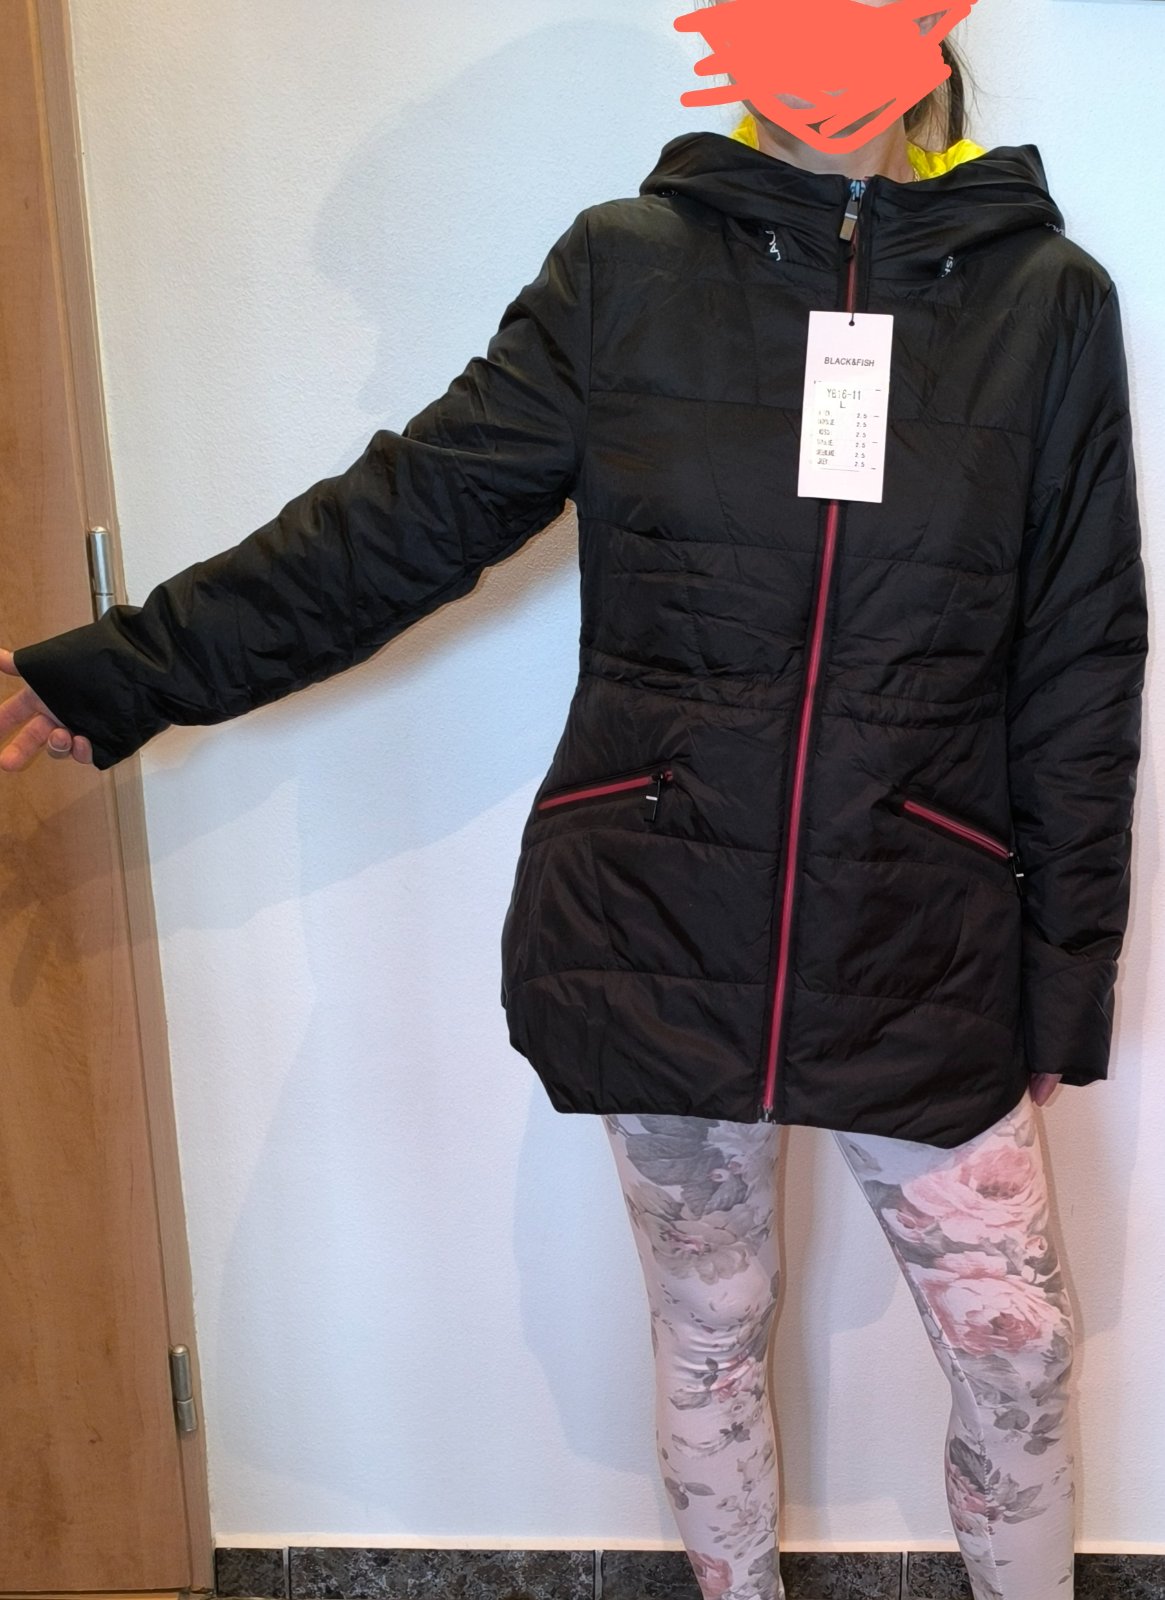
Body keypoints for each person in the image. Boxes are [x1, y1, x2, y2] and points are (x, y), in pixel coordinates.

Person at [0, 14, 1147, 1600]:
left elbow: (1084, 654)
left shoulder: (1044, 300)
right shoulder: (625, 268)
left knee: (1015, 1349)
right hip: (652, 911)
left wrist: (1063, 971)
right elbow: (405, 520)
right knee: (707, 1332)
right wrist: (128, 671)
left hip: (920, 931)